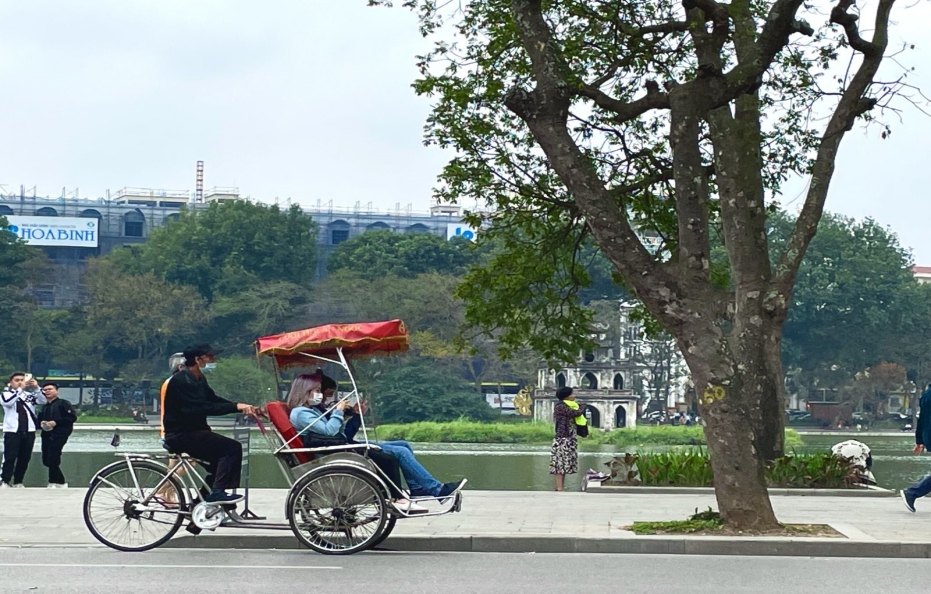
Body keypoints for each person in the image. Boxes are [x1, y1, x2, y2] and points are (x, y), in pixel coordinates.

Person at [287, 374, 444, 513]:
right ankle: (429, 491)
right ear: (305, 391)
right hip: (330, 451)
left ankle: (417, 488)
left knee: (403, 446)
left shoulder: (314, 410)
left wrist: (354, 415)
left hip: (337, 445)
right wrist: (338, 411)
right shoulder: (301, 413)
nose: (320, 395)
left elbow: (340, 434)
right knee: (395, 455)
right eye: (317, 391)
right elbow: (330, 431)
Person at [161, 344, 257, 504]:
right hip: (182, 434)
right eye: (210, 357)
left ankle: (201, 505)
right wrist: (235, 407)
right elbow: (202, 407)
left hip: (195, 432)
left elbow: (212, 399)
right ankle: (217, 493)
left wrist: (240, 406)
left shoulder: (198, 378)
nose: (213, 360)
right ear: (197, 360)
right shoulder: (181, 380)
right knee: (232, 448)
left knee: (217, 467)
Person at [1, 372, 45, 488]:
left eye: (22, 380)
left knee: (24, 457)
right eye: (17, 380)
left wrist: (36, 388)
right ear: (10, 383)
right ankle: (5, 480)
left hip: (29, 429)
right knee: (10, 457)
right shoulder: (5, 394)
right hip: (12, 431)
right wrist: (19, 390)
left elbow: (42, 401)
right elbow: (8, 402)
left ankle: (18, 481)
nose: (20, 382)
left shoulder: (28, 395)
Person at [37, 383, 77, 488]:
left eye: (50, 389)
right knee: (46, 460)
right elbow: (38, 420)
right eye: (45, 390)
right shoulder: (45, 406)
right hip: (46, 434)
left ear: (56, 391)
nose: (47, 391)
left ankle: (53, 481)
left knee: (53, 456)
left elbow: (71, 418)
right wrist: (41, 423)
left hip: (60, 433)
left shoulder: (63, 403)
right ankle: (61, 482)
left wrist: (56, 422)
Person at [549, 386, 585, 492]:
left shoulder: (571, 406)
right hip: (562, 439)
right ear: (567, 396)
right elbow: (575, 413)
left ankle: (561, 487)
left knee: (565, 464)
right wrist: (582, 407)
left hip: (569, 438)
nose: (574, 395)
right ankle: (559, 487)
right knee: (560, 464)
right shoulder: (560, 406)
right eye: (572, 394)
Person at [902, 383, 931, 512]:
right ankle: (912, 492)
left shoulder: (926, 395)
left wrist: (919, 440)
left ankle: (913, 492)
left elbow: (922, 419)